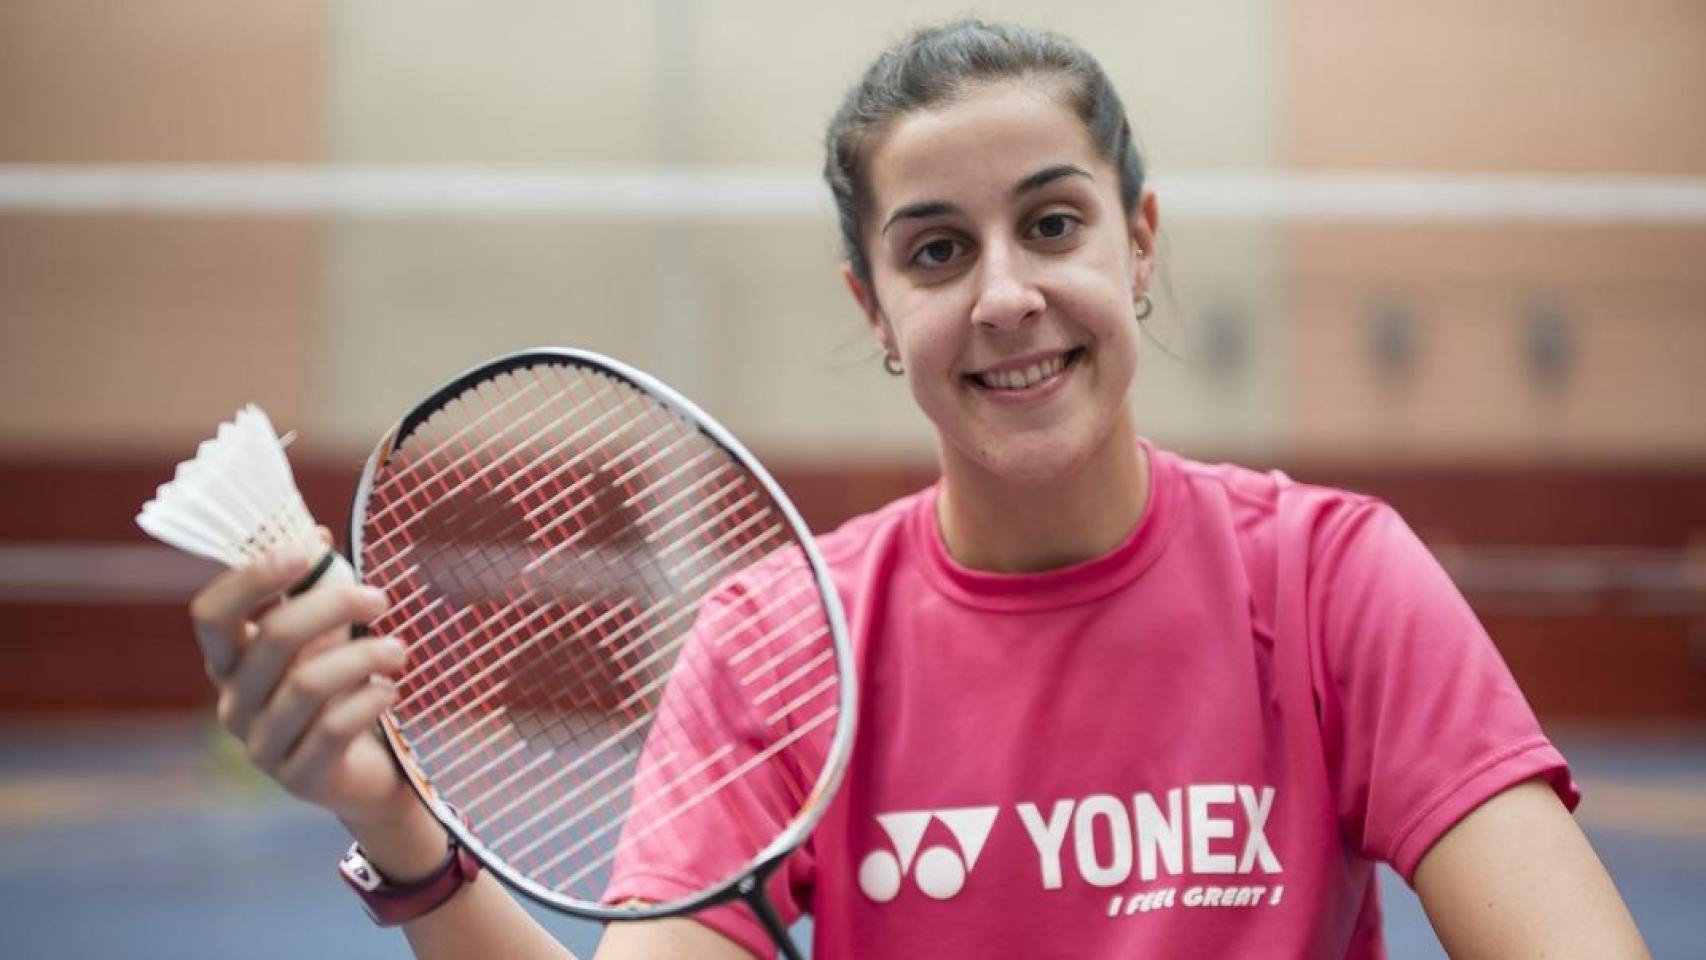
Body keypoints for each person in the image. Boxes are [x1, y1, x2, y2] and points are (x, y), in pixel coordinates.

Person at [187, 19, 1649, 959]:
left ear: (1139, 245)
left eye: (1054, 223)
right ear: (875, 307)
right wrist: (396, 829)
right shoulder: (780, 644)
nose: (1006, 295)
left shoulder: (1330, 582)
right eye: (936, 251)